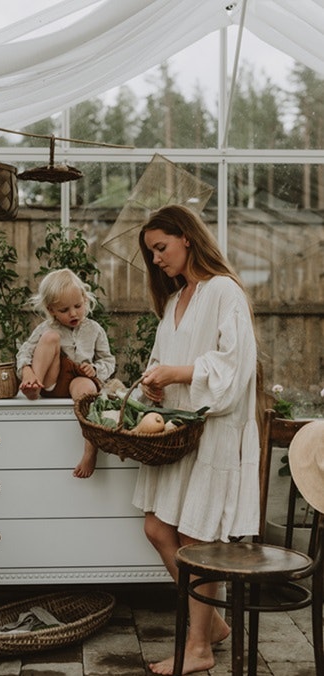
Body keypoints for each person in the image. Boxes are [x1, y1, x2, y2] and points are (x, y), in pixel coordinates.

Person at [132, 205, 260, 675]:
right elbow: (163, 361)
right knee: (158, 528)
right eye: (151, 253)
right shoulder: (174, 301)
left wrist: (179, 372)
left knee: (194, 538)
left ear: (187, 238)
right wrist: (154, 383)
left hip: (215, 432)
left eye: (161, 248)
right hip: (179, 432)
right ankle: (215, 626)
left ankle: (199, 647)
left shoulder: (223, 291)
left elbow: (235, 367)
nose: (157, 260)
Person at [16, 268, 115, 478]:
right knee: (50, 338)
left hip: (79, 378)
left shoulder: (94, 329)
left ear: (85, 300)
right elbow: (24, 350)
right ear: (52, 310)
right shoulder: (47, 326)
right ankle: (34, 387)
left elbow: (108, 359)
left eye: (78, 306)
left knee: (87, 389)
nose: (73, 313)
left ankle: (90, 450)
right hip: (52, 379)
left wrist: (95, 369)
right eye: (64, 310)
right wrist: (27, 372)